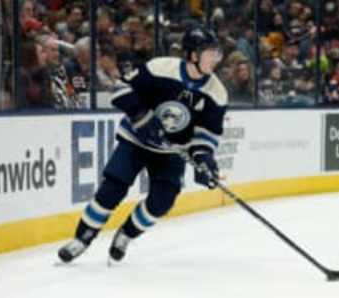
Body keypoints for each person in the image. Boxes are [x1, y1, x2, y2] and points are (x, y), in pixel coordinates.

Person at [58, 25, 228, 263]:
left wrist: (203, 159)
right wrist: (141, 117)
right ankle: (82, 238)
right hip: (136, 140)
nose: (216, 59)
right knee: (113, 188)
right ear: (193, 55)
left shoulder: (217, 92)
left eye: (217, 53)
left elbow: (207, 134)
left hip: (171, 151)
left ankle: (126, 235)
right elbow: (120, 89)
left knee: (162, 201)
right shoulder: (160, 68)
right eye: (211, 53)